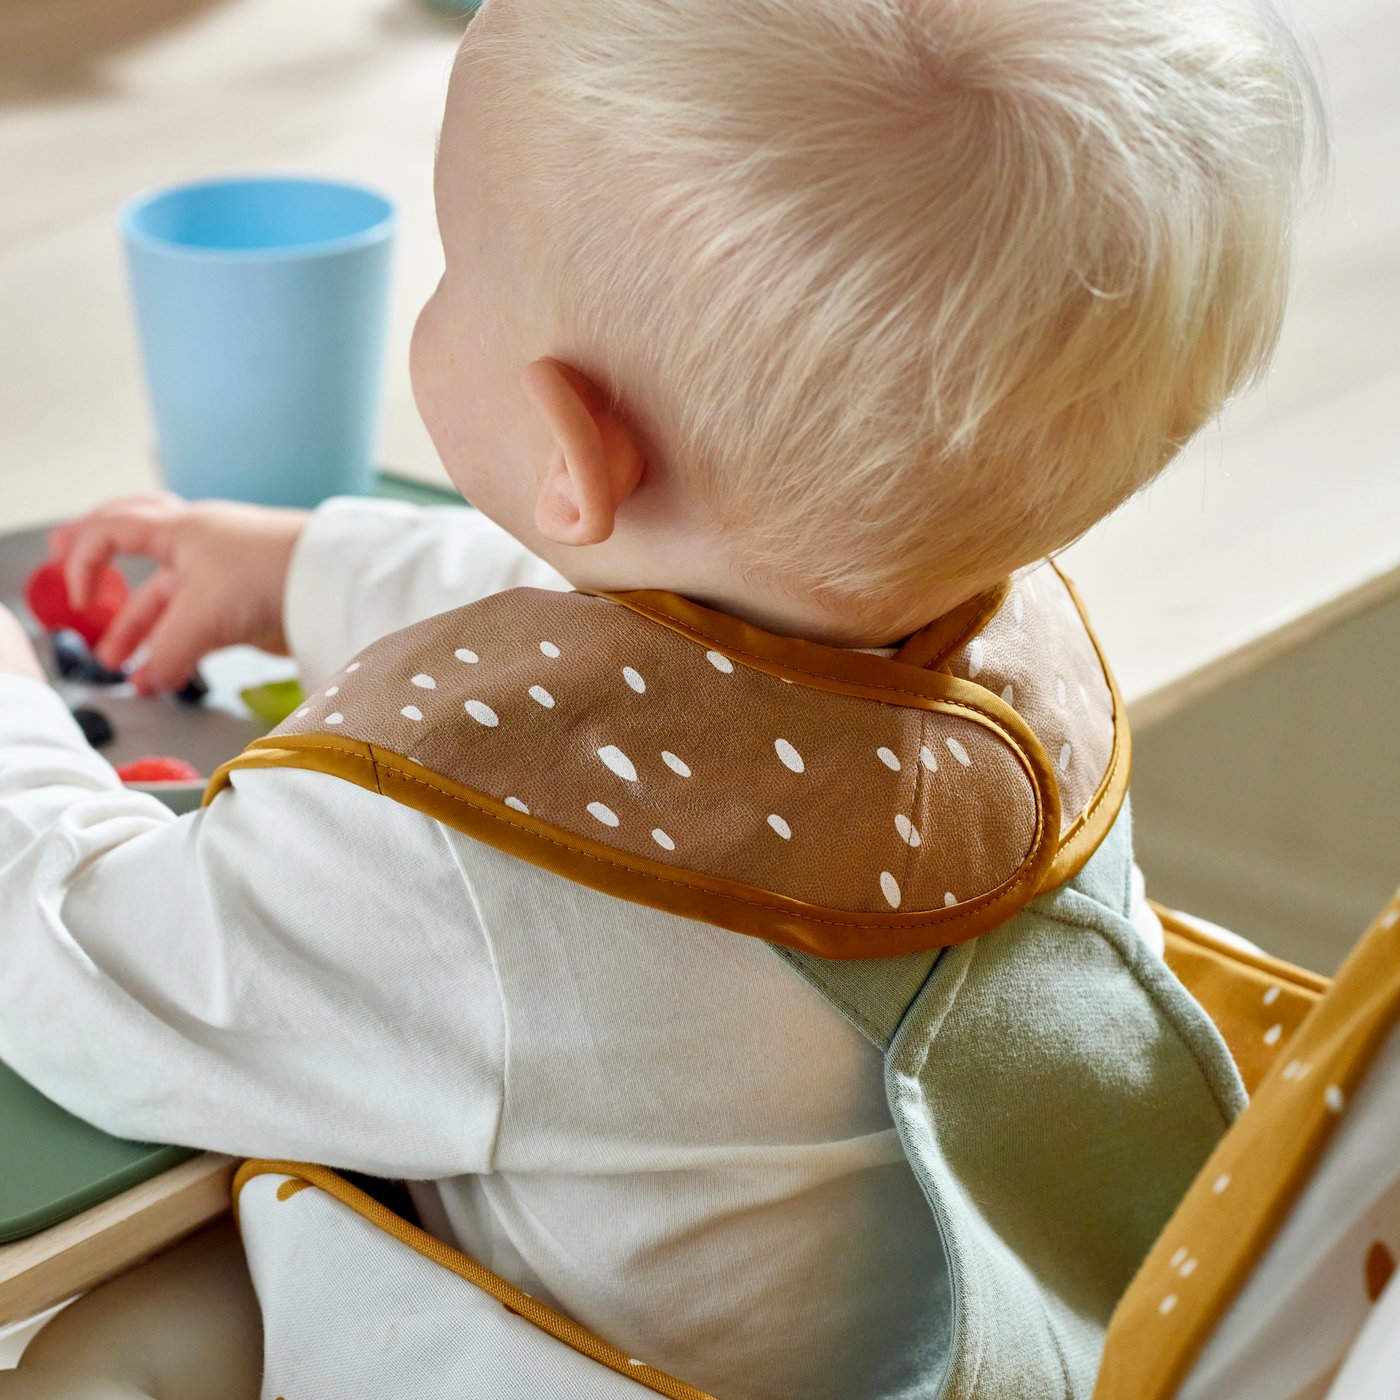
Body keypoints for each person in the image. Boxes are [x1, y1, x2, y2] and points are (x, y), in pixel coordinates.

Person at [0, 0, 1320, 1395]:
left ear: (568, 446)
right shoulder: (1000, 641)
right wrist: (303, 569)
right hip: (949, 1351)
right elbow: (647, 644)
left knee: (104, 1349)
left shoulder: (460, 863)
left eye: (457, 267)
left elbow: (88, 973)